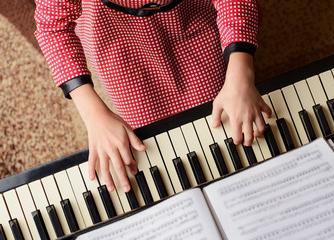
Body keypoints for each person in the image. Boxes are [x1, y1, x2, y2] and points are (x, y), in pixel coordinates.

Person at [34, 0, 271, 193]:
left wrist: (242, 72)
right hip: (114, 36)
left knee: (222, 120)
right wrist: (93, 115)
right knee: (151, 143)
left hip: (191, 14)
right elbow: (53, 28)